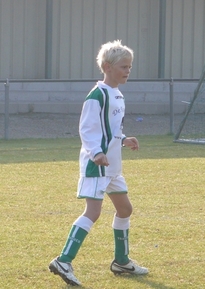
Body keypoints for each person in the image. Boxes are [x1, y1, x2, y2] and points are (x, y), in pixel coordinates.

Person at [49, 40, 148, 286]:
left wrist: (124, 139)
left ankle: (121, 261)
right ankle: (63, 260)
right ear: (106, 66)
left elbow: (111, 128)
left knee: (125, 209)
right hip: (98, 165)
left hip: (113, 166)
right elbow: (87, 128)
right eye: (123, 66)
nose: (127, 71)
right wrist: (95, 153)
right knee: (93, 212)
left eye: (130, 67)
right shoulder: (97, 94)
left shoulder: (117, 93)